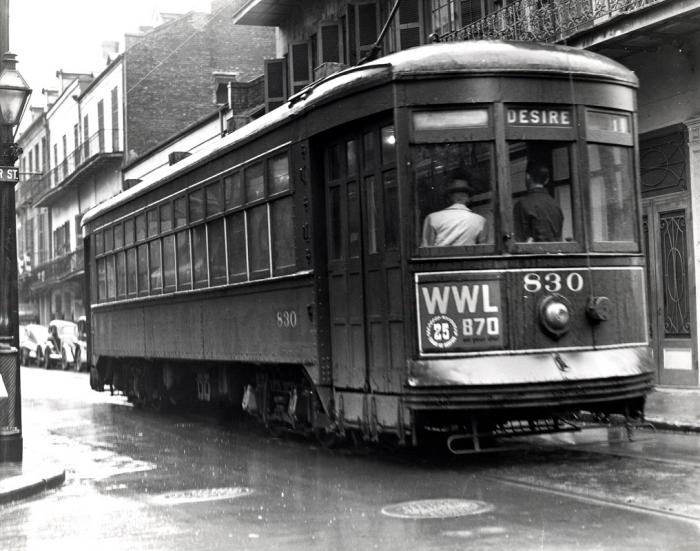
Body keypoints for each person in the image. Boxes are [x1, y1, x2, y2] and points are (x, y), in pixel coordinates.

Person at [421, 177, 487, 247]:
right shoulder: (480, 220)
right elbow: (484, 249)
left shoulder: (432, 218)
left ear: (448, 198)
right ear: (468, 199)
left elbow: (426, 250)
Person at [513, 162, 563, 242]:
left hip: (533, 253)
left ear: (527, 177)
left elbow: (519, 241)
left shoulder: (522, 205)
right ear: (547, 180)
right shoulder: (555, 205)